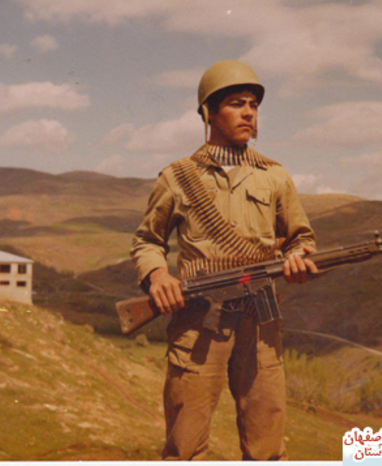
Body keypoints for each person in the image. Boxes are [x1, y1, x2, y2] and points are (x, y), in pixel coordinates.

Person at [130, 60, 317, 461]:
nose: (249, 113)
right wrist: (158, 276)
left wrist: (298, 258)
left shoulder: (274, 176)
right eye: (236, 104)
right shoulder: (178, 177)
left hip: (260, 322)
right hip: (199, 324)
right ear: (209, 113)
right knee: (185, 445)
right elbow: (147, 241)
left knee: (267, 445)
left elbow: (300, 238)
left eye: (253, 105)